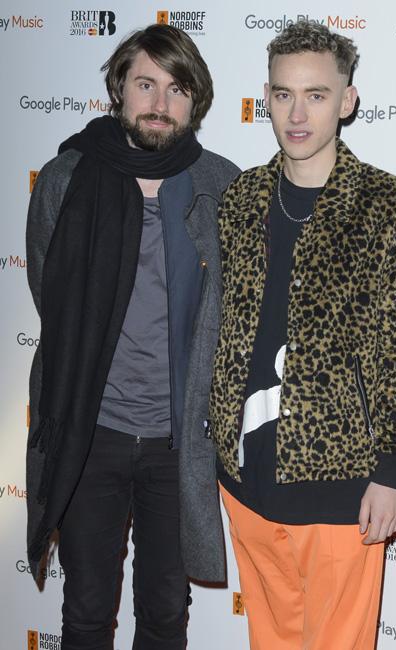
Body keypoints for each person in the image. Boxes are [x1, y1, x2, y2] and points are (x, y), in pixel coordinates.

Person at [209, 21, 396, 650]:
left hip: (342, 487)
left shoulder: (386, 205)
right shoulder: (241, 197)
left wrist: (393, 472)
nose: (297, 114)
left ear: (347, 101)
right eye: (283, 95)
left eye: (316, 95)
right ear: (266, 99)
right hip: (244, 479)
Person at [25, 23, 239, 649]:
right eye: (146, 84)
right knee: (86, 612)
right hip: (91, 434)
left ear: (195, 102)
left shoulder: (221, 185)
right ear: (119, 88)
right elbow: (49, 293)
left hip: (179, 442)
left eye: (177, 89)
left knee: (166, 613)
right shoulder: (66, 179)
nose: (159, 103)